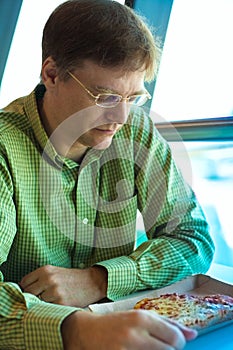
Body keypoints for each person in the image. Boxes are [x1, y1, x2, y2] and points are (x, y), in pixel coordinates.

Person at [0, 0, 214, 348]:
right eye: (105, 96)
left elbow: (193, 238)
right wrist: (78, 329)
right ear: (51, 74)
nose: (122, 117)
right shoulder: (4, 147)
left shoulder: (135, 130)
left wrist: (100, 279)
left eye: (134, 96)